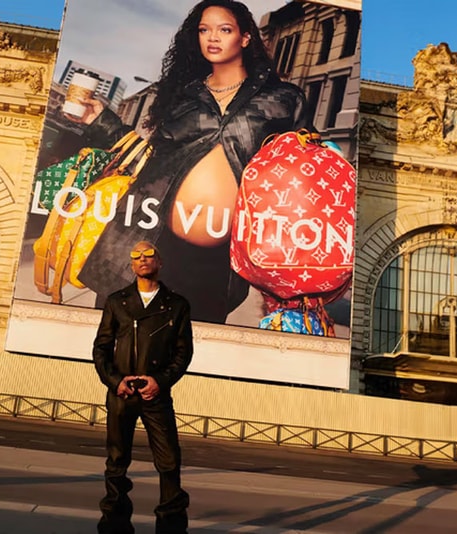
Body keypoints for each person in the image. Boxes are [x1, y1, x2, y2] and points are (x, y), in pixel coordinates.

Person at [68, 0, 318, 324]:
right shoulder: (182, 96)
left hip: (216, 263)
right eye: (204, 30)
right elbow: (150, 163)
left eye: (224, 29)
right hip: (149, 241)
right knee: (122, 344)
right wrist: (100, 121)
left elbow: (303, 172)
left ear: (245, 38)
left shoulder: (284, 99)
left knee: (188, 354)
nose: (212, 37)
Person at [93, 240, 193, 533]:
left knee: (169, 461)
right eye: (136, 255)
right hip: (122, 392)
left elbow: (182, 353)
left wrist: (160, 381)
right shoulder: (116, 302)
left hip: (156, 394)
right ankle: (114, 521)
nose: (142, 259)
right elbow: (101, 349)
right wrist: (115, 381)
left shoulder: (176, 305)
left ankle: (171, 524)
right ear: (131, 265)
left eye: (149, 254)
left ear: (159, 262)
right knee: (116, 460)